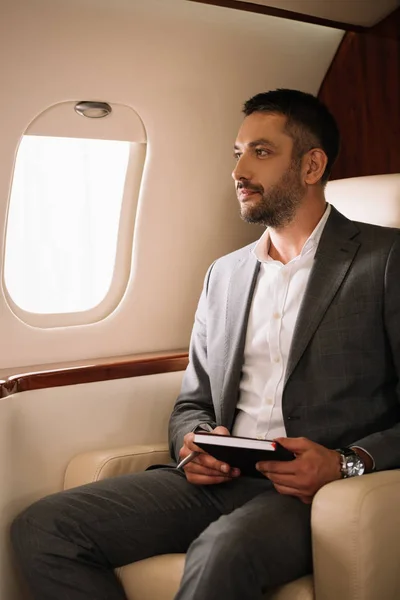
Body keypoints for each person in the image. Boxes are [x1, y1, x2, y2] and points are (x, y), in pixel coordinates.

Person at [11, 89, 400, 600]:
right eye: (236, 153)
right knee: (44, 528)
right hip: (216, 482)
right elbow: (191, 402)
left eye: (261, 152)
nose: (239, 170)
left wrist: (345, 462)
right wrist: (192, 442)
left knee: (221, 551)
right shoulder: (226, 273)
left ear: (312, 166)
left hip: (314, 494)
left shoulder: (385, 259)